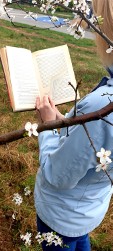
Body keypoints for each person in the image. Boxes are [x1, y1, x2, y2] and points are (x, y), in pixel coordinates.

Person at [34, 0, 113, 250]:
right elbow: (91, 148)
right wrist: (65, 123)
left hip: (61, 215)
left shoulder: (102, 107)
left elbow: (57, 176)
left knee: (68, 241)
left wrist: (48, 127)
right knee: (79, 240)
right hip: (88, 209)